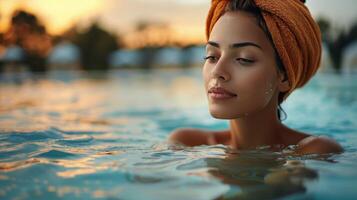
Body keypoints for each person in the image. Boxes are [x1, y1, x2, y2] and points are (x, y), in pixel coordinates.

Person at [169, 0, 343, 154]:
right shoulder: (185, 143)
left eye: (244, 59)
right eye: (212, 57)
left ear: (284, 78)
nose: (217, 71)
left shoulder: (314, 151)